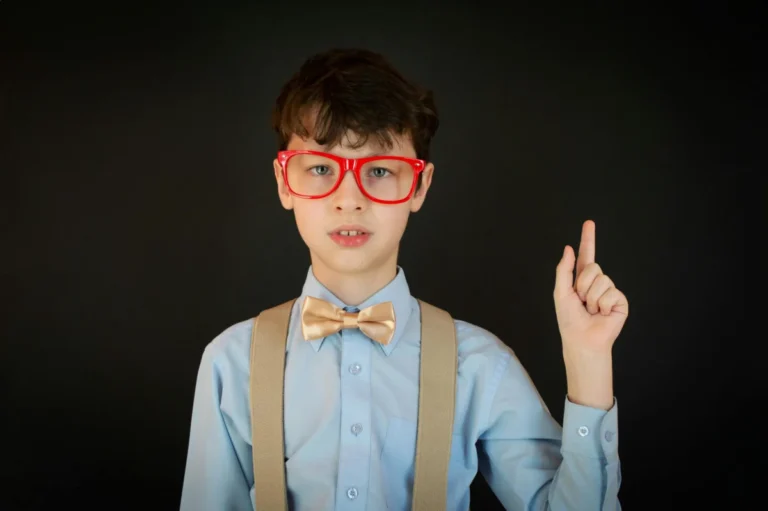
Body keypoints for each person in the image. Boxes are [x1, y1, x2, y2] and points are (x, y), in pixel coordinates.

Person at [180, 47, 628, 510]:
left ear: (420, 186)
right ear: (282, 181)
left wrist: (589, 361)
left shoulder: (477, 365)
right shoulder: (230, 363)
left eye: (378, 170)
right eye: (320, 168)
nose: (349, 199)